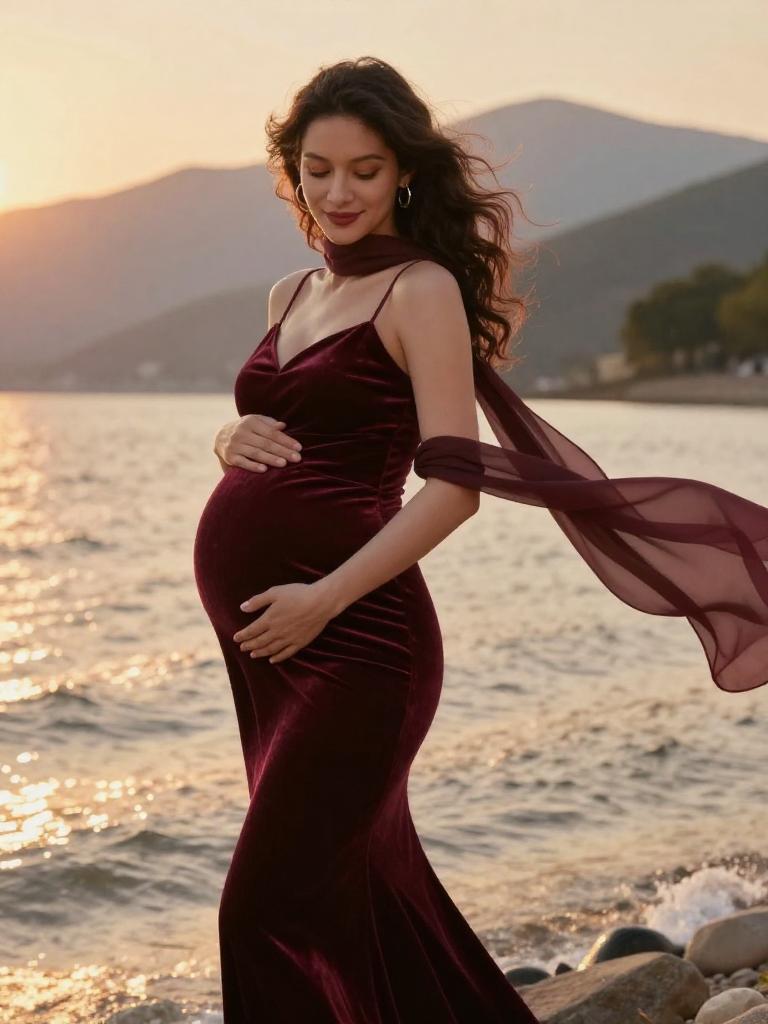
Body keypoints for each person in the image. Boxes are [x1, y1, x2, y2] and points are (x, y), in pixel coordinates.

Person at [193, 56, 768, 1023]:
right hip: (272, 649)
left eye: (365, 170)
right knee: (366, 897)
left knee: (265, 905)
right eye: (317, 168)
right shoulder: (288, 294)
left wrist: (322, 598)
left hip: (359, 648)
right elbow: (289, 432)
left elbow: (452, 489)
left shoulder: (420, 291)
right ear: (289, 170)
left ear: (404, 174)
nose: (338, 192)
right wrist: (225, 435)